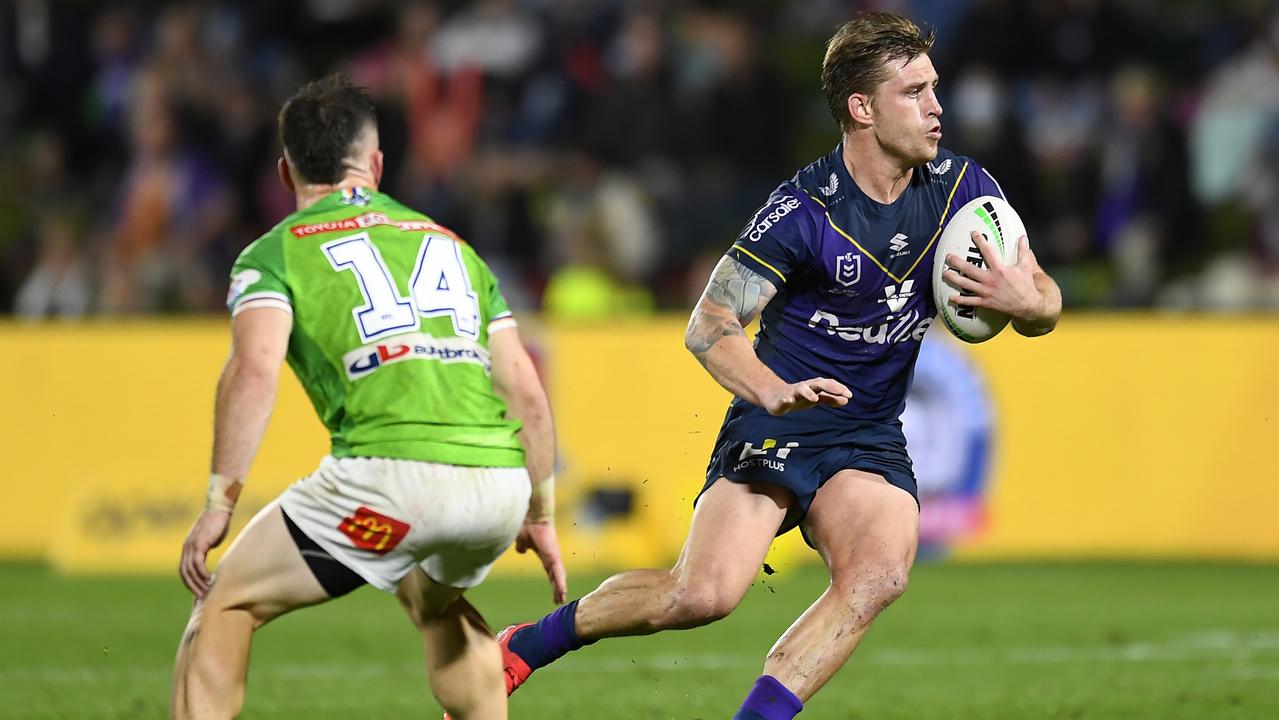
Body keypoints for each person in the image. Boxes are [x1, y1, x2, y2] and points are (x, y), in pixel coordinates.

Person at [481, 11, 1061, 719]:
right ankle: (525, 644)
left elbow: (1044, 298)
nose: (937, 107)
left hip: (866, 432)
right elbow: (710, 325)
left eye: (933, 88)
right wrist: (772, 389)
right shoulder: (801, 211)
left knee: (877, 575)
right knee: (701, 595)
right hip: (775, 418)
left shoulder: (965, 189)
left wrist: (1024, 302)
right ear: (861, 108)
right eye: (913, 92)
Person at [170, 74, 566, 720]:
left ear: (284, 171)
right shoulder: (453, 247)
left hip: (389, 483)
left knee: (226, 604)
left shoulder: (272, 256)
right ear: (376, 164)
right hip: (496, 491)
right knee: (431, 603)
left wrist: (221, 501)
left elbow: (254, 369)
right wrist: (541, 514)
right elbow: (524, 386)